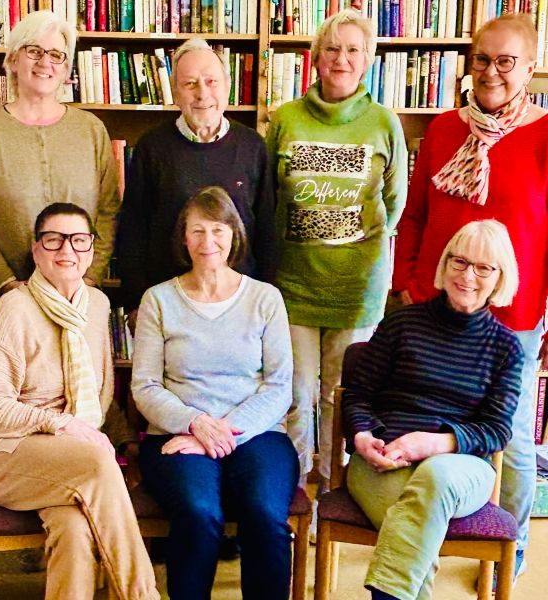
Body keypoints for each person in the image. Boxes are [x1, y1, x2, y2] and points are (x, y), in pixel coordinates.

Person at [392, 13, 548, 582]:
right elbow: (414, 215)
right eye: (482, 59)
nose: (491, 72)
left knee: (514, 439)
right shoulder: (442, 130)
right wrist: (407, 285)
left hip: (514, 316)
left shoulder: (543, 136)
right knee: (429, 420)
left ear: (530, 67)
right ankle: (425, 535)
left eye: (506, 62)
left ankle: (510, 543)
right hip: (436, 310)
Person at [0, 203, 158, 600]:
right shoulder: (15, 307)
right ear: (36, 249)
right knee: (97, 463)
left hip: (68, 457)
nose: (67, 250)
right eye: (53, 239)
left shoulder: (97, 305)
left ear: (92, 250)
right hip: (0, 451)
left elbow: (97, 393)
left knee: (75, 528)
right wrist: (60, 423)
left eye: (79, 240)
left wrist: (126, 439)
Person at [265, 9, 408, 500]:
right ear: (315, 58)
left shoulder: (384, 123)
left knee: (339, 397)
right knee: (295, 393)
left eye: (353, 50)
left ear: (367, 60)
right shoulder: (285, 119)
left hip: (356, 286)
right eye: (332, 48)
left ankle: (331, 494)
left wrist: (356, 242)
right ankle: (293, 494)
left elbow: (395, 203)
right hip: (294, 283)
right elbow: (268, 197)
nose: (341, 59)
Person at [132, 187, 299, 600]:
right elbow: (145, 386)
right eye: (198, 231)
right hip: (177, 436)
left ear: (234, 235)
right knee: (198, 512)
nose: (208, 241)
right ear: (183, 238)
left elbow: (279, 386)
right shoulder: (158, 300)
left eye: (218, 230)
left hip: (257, 435)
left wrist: (220, 431)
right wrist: (195, 424)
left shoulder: (265, 298)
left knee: (264, 513)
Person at [343, 220, 524, 600]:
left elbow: (496, 429)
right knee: (412, 532)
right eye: (460, 262)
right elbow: (357, 394)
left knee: (435, 479)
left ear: (500, 277)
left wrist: (434, 443)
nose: (468, 276)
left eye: (483, 268)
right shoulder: (401, 323)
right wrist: (362, 435)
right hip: (383, 458)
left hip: (462, 467)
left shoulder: (506, 347)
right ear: (445, 263)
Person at [0, 9, 119, 323]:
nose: (45, 62)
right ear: (13, 59)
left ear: (67, 69)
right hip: (2, 299)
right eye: (34, 51)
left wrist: (88, 278)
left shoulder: (90, 129)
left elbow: (109, 210)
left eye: (56, 55)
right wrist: (6, 283)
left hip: (77, 297)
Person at [118, 38, 277, 330]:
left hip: (240, 305)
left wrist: (266, 300)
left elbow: (267, 229)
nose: (202, 93)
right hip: (168, 305)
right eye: (190, 84)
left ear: (227, 86)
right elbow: (133, 229)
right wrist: (135, 302)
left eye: (211, 81)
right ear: (175, 92)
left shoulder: (253, 146)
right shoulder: (152, 147)